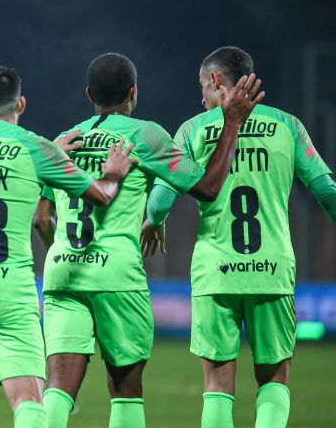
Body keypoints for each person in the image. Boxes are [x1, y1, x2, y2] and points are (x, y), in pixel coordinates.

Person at [34, 53, 263, 428]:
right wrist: (233, 123)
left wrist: (64, 252)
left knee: (58, 388)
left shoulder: (64, 140)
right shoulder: (144, 135)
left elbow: (41, 219)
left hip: (62, 272)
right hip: (116, 276)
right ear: (133, 92)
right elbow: (208, 187)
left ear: (89, 94)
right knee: (126, 391)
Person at [0, 65, 135, 428]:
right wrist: (114, 173)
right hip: (7, 289)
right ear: (21, 104)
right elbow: (102, 195)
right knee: (28, 400)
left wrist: (48, 154)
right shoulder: (37, 149)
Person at [142, 46, 336, 428]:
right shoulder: (288, 125)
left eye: (202, 86)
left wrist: (154, 220)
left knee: (217, 385)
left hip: (216, 273)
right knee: (274, 380)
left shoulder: (194, 129)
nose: (202, 98)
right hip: (272, 271)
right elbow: (326, 192)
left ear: (216, 80)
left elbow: (161, 198)